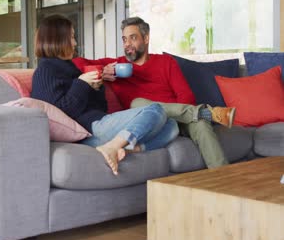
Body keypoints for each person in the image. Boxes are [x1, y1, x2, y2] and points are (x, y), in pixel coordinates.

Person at [72, 16, 236, 168]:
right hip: (150, 122)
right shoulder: (116, 66)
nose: (127, 43)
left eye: (133, 37)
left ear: (146, 38)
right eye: (124, 39)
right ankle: (206, 112)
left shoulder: (166, 62)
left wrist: (179, 114)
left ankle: (225, 183)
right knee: (137, 103)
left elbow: (186, 96)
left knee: (201, 124)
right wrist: (103, 71)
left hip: (179, 120)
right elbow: (76, 63)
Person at [31, 15, 179, 175]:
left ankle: (125, 148)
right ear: (57, 39)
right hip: (90, 128)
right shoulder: (45, 71)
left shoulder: (70, 68)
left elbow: (100, 107)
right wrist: (81, 84)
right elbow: (61, 113)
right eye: (72, 37)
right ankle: (115, 146)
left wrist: (97, 86)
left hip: (96, 130)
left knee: (172, 125)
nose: (74, 43)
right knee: (155, 109)